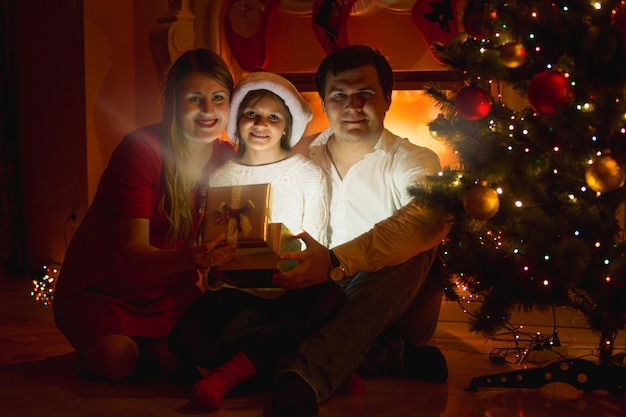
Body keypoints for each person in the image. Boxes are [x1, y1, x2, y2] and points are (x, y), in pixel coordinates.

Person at [271, 45, 450, 417]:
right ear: (324, 102)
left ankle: (305, 372)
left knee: (420, 239)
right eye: (339, 95)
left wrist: (336, 261)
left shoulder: (414, 159)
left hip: (396, 306)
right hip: (322, 301)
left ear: (386, 100)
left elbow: (430, 219)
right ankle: (388, 359)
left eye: (365, 94)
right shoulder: (297, 159)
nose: (352, 105)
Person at [52, 48, 238, 381]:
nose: (208, 110)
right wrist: (188, 259)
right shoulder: (140, 150)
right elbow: (133, 253)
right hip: (104, 289)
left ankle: (155, 349)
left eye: (218, 98)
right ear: (173, 102)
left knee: (185, 359)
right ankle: (114, 346)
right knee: (117, 360)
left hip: (170, 293)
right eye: (194, 98)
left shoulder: (227, 159)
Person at [167, 71, 345, 410]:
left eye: (273, 117)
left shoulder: (309, 175)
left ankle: (230, 374)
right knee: (182, 339)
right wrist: (215, 272)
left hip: (291, 292)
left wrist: (294, 265)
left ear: (287, 127)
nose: (261, 123)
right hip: (238, 294)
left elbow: (317, 243)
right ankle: (300, 362)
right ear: (237, 121)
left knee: (330, 298)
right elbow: (212, 249)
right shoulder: (221, 177)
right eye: (251, 113)